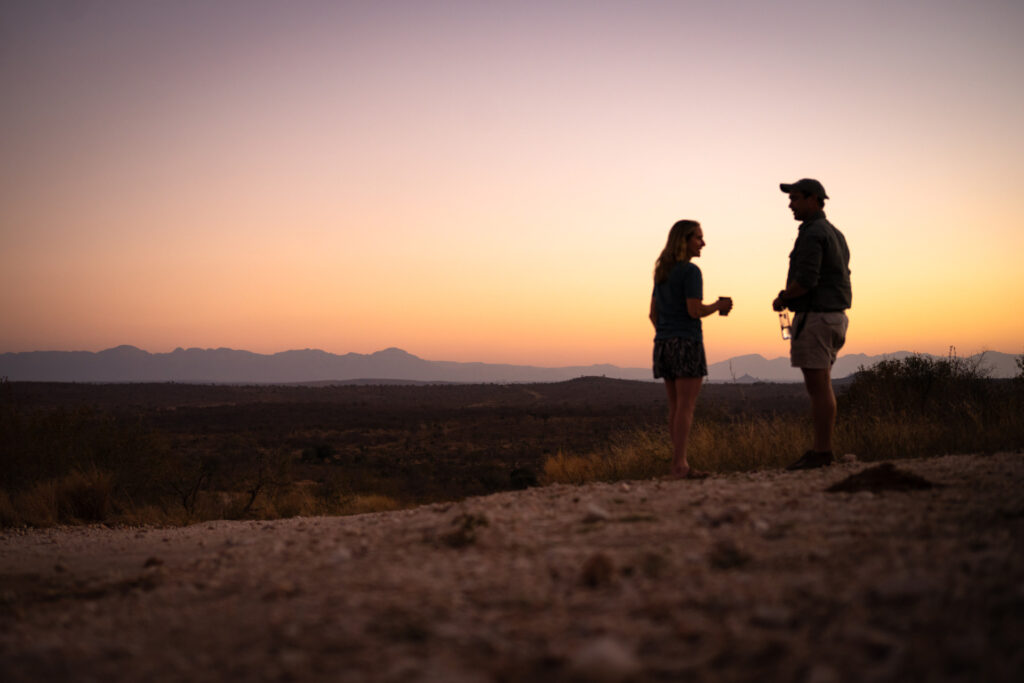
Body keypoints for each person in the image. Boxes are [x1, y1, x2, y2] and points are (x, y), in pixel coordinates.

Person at [772, 178, 852, 470]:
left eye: (795, 198)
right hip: (834, 316)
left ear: (814, 199)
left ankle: (822, 452)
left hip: (816, 317)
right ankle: (822, 450)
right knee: (823, 385)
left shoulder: (812, 233)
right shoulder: (835, 233)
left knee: (818, 389)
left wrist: (783, 298)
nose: (790, 204)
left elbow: (806, 280)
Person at [650, 220, 732, 479]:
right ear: (684, 241)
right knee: (686, 406)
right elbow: (694, 311)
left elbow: (653, 314)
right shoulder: (690, 272)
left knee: (675, 406)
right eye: (698, 237)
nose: (703, 243)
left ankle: (677, 463)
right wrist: (718, 306)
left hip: (664, 344)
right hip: (687, 343)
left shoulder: (662, 273)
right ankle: (680, 465)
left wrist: (666, 333)